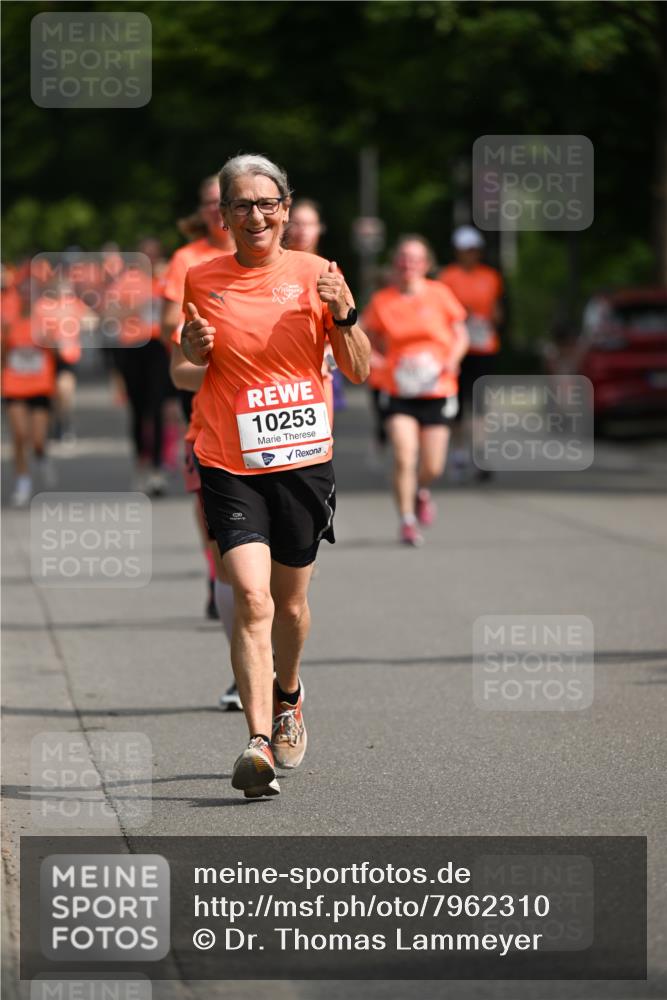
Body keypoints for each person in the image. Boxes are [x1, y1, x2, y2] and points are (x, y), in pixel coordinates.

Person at [176, 153, 370, 798]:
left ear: (285, 210)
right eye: (241, 205)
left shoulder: (318, 275)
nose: (255, 215)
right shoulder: (202, 279)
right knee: (252, 599)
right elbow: (188, 364)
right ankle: (257, 742)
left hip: (304, 463)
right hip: (229, 459)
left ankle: (290, 696)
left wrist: (344, 315)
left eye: (267, 204)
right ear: (224, 216)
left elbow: (361, 369)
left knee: (290, 602)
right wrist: (191, 353)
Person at [362, 235, 469, 546]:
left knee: (433, 465)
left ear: (426, 264)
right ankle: (407, 521)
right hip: (399, 391)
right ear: (396, 263)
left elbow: (460, 332)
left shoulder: (440, 294)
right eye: (403, 258)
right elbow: (362, 338)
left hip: (437, 388)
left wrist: (453, 359)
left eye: (415, 258)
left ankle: (421, 490)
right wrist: (377, 361)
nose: (408, 264)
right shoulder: (383, 301)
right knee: (404, 457)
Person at [162, 175, 236, 623]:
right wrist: (196, 336)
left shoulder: (259, 254)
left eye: (221, 202)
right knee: (208, 499)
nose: (216, 210)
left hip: (266, 399)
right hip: (205, 384)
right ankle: (217, 568)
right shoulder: (188, 260)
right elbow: (171, 319)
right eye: (209, 203)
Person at [438, 225, 504, 480]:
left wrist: (492, 319)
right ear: (458, 252)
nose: (471, 254)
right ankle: (458, 454)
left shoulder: (490, 277)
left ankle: (480, 453)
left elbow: (496, 309)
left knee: (480, 403)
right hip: (455, 347)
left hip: (484, 346)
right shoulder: (448, 277)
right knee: (456, 404)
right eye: (466, 250)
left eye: (475, 250)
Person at [2, 289, 57, 506]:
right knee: (19, 434)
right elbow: (3, 354)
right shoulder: (9, 323)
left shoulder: (44, 322)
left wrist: (47, 342)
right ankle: (22, 481)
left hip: (39, 387)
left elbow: (56, 353)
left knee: (37, 439)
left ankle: (41, 455)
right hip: (14, 387)